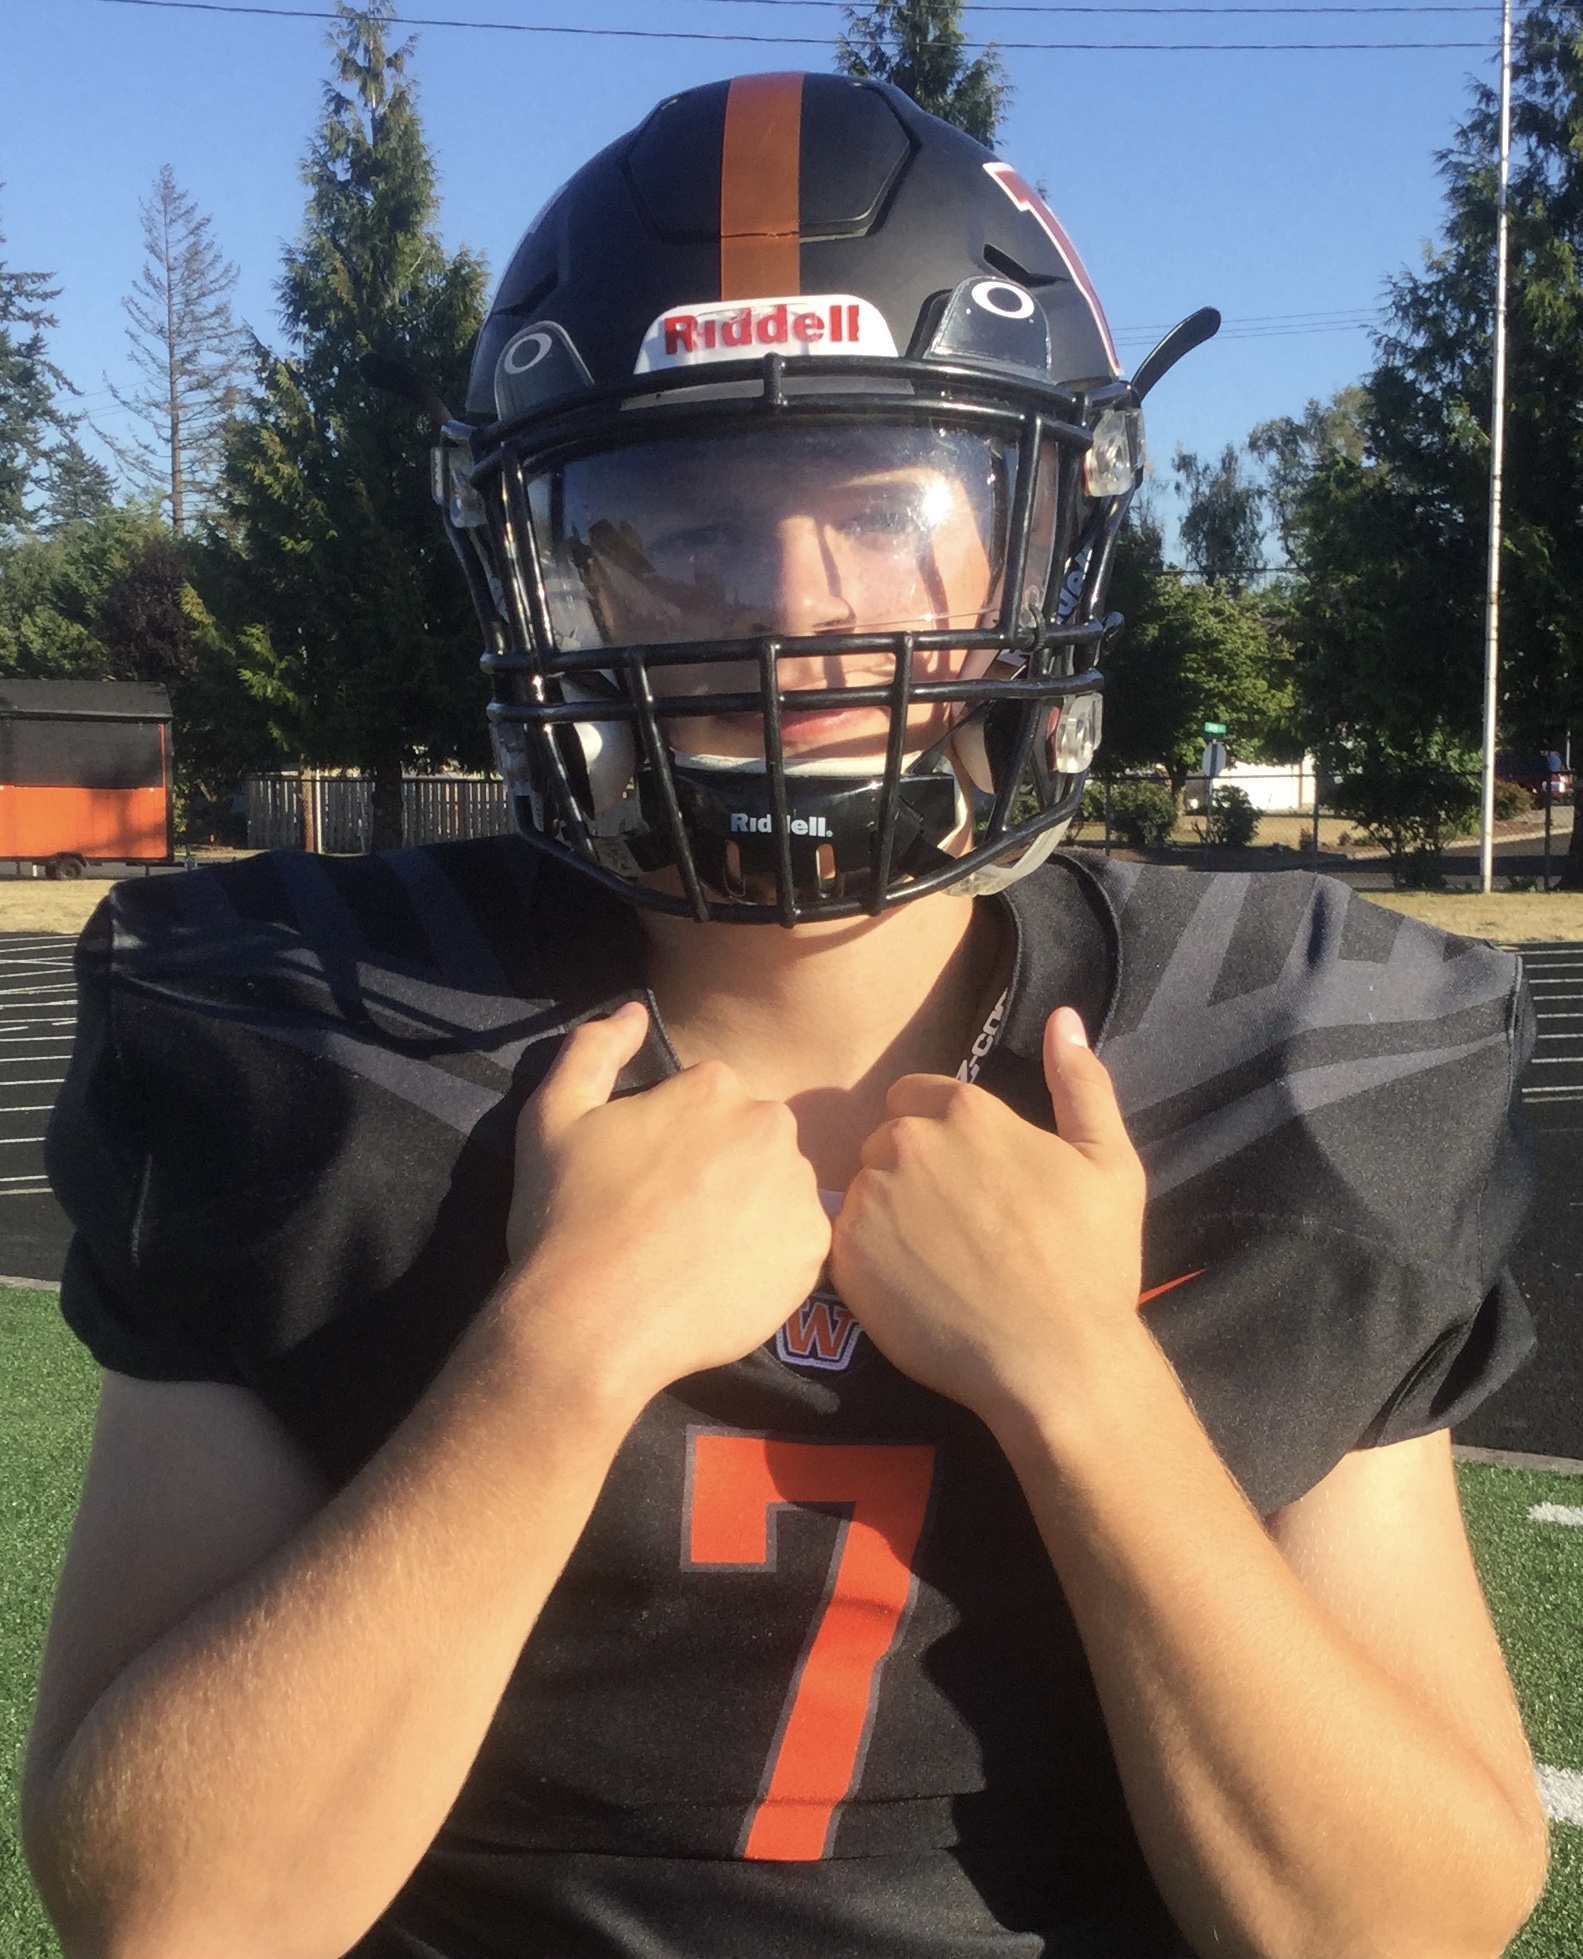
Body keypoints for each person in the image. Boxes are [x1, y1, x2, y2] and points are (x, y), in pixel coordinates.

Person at [21, 71, 1547, 1959]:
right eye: (683, 520)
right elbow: (168, 1917)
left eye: (887, 508)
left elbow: (1403, 1927)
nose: (795, 609)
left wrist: (1087, 1387)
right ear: (547, 569)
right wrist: (554, 1357)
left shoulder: (1295, 1058)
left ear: (1046, 527)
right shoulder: (315, 1048)